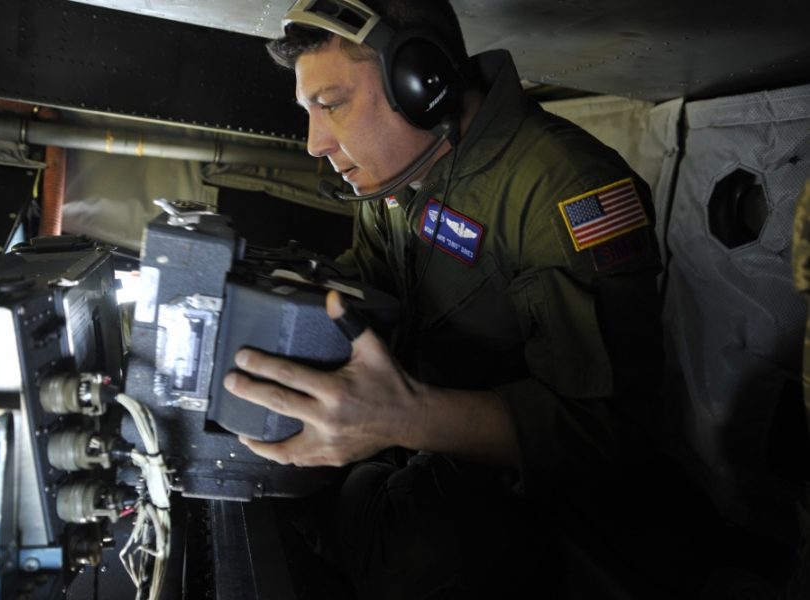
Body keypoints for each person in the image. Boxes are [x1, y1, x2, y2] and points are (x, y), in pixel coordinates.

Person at [222, 0, 665, 597]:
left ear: (420, 85)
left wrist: (403, 418)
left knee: (414, 557)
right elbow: (369, 290)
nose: (314, 143)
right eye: (308, 111)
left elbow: (603, 433)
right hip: (421, 448)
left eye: (330, 105)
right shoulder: (403, 173)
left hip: (537, 493)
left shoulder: (567, 191)